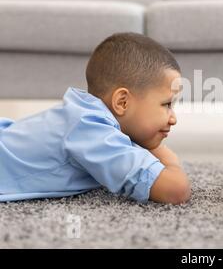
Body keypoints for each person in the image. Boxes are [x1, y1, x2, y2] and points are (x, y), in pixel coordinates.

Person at [0, 32, 191, 204]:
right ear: (122, 102)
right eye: (166, 104)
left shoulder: (83, 116)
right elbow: (175, 190)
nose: (173, 118)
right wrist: (168, 160)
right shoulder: (91, 131)